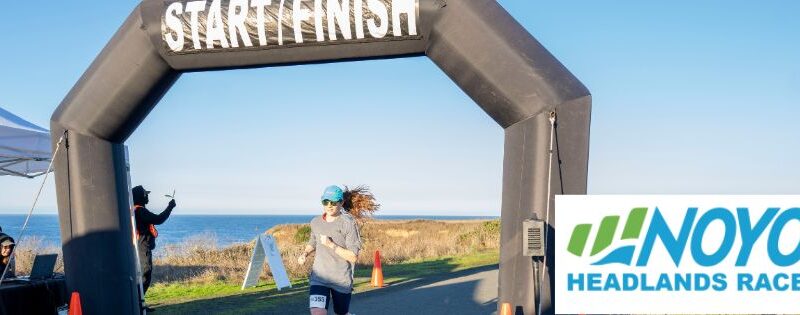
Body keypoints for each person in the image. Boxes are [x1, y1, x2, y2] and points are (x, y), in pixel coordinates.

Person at [297, 185, 379, 315]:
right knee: (317, 313)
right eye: (326, 202)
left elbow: (353, 256)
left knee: (341, 313)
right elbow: (313, 242)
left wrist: (332, 245)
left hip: (341, 280)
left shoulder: (348, 223)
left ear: (341, 202)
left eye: (334, 202)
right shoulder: (315, 222)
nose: (329, 205)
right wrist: (305, 253)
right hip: (319, 278)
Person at [132, 185, 176, 298]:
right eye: (145, 194)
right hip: (142, 247)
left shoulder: (136, 210)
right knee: (145, 274)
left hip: (139, 246)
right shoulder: (140, 211)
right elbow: (158, 219)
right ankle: (138, 304)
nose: (147, 197)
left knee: (143, 275)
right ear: (140, 196)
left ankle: (140, 303)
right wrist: (170, 207)